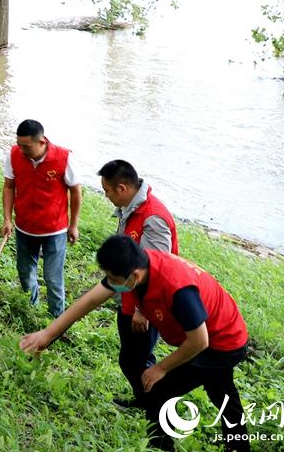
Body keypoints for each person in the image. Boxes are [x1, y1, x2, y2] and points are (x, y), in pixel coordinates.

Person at [20, 236, 251, 452]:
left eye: (115, 280)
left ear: (135, 276)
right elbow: (90, 299)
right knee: (221, 389)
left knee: (158, 390)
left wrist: (161, 368)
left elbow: (199, 341)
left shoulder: (176, 287)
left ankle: (159, 446)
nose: (111, 285)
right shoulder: (137, 267)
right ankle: (239, 446)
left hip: (222, 342)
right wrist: (48, 334)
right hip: (219, 333)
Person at [98, 159, 179, 410]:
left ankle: (153, 405)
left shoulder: (153, 218)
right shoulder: (130, 208)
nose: (106, 196)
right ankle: (147, 400)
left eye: (107, 191)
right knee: (137, 358)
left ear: (122, 188)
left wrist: (141, 311)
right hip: (130, 298)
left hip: (146, 305)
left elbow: (154, 269)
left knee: (134, 361)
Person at [1, 120, 81, 317]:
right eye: (19, 144)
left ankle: (57, 318)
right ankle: (31, 309)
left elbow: (76, 192)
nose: (21, 149)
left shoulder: (64, 158)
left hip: (55, 229)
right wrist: (7, 219)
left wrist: (73, 225)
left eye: (26, 146)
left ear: (42, 142)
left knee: (53, 278)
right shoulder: (13, 155)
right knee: (25, 273)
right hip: (24, 227)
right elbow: (9, 186)